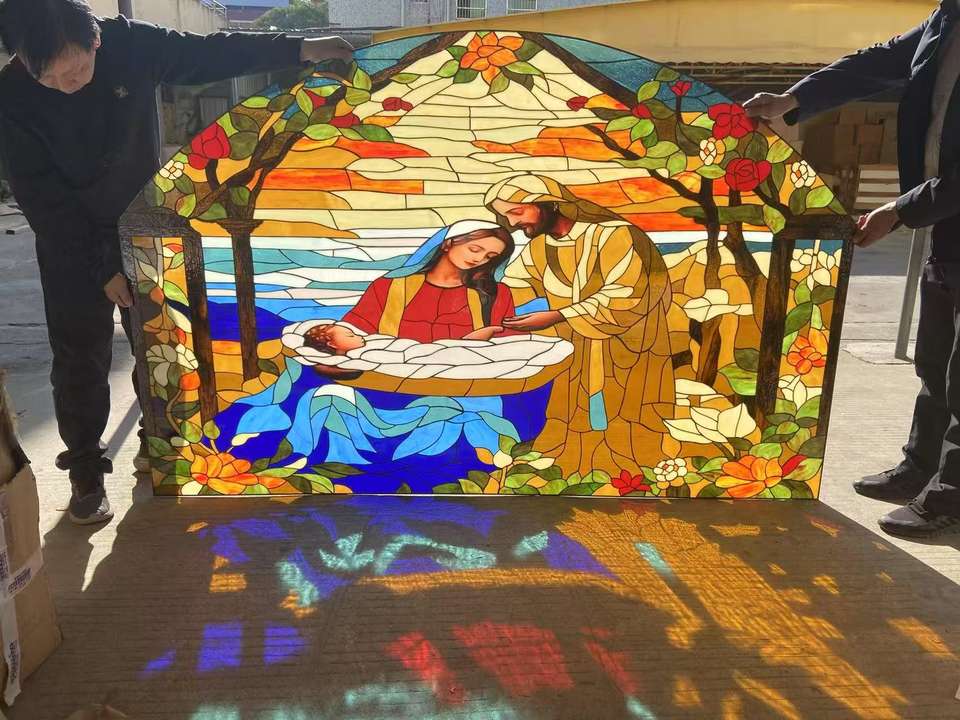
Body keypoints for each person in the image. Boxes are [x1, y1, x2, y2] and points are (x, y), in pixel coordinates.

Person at [0, 0, 353, 524]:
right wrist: (102, 268)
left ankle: (158, 443)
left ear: (96, 40)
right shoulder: (12, 93)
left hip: (143, 223)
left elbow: (211, 53)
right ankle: (86, 473)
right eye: (47, 78)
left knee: (160, 346)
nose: (65, 85)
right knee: (79, 358)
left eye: (74, 70)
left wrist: (301, 48)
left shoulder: (132, 44)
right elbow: (40, 196)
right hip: (69, 240)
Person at [744, 1, 960, 539]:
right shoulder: (948, 17)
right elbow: (878, 61)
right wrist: (793, 99)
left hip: (940, 204)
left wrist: (899, 209)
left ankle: (952, 498)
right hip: (946, 221)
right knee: (935, 358)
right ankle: (921, 467)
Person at [485, 174, 674, 477]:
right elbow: (515, 287)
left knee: (623, 416)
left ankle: (629, 472)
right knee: (570, 417)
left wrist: (559, 316)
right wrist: (489, 309)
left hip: (624, 347)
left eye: (517, 212)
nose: (512, 223)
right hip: (575, 348)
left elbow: (627, 293)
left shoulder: (612, 235)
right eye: (505, 216)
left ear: (549, 203)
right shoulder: (539, 247)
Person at [343, 220, 516, 343]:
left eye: (490, 256)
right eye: (474, 249)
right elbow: (352, 331)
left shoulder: (494, 293)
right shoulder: (388, 286)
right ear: (447, 243)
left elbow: (510, 344)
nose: (479, 259)